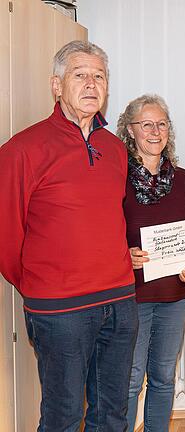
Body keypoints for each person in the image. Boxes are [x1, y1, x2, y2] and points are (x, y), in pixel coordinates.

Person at [0, 40, 137, 430]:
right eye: (80, 75)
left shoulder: (115, 149)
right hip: (60, 311)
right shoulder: (22, 150)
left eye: (100, 76)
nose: (92, 84)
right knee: (62, 417)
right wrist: (40, 285)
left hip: (120, 301)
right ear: (56, 85)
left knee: (112, 414)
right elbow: (6, 236)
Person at [117, 94, 185, 431]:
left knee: (164, 376)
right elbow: (104, 232)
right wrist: (125, 255)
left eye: (162, 124)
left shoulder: (183, 180)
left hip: (175, 293)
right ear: (130, 131)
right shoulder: (116, 179)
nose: (155, 131)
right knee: (131, 378)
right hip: (132, 294)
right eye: (147, 124)